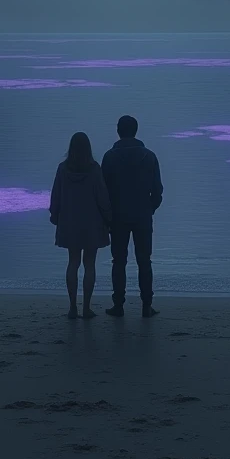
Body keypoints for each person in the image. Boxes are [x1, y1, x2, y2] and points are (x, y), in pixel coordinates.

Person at [100, 115, 164, 318]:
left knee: (118, 261)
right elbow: (158, 190)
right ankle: (146, 305)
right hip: (142, 215)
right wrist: (149, 208)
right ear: (136, 131)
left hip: (118, 216)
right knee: (144, 261)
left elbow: (104, 190)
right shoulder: (150, 156)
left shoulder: (110, 157)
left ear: (118, 131)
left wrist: (106, 215)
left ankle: (118, 305)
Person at [49, 131, 112, 319]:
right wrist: (109, 218)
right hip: (92, 223)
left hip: (69, 222)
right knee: (90, 264)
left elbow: (56, 196)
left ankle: (72, 307)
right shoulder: (94, 169)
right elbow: (102, 197)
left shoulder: (62, 169)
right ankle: (86, 307)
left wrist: (55, 215)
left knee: (73, 262)